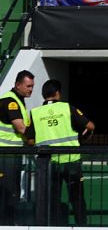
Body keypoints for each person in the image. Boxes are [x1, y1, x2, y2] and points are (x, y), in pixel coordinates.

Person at [28, 78, 91, 224]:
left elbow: (30, 140)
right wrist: (83, 137)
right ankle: (82, 225)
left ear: (43, 94)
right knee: (77, 198)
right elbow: (90, 126)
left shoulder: (35, 113)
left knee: (51, 199)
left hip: (48, 163)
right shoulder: (67, 108)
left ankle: (51, 225)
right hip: (71, 161)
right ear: (57, 93)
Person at [0, 69, 30, 223]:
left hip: (11, 155)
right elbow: (21, 128)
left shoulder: (18, 100)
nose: (31, 89)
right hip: (6, 155)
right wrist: (35, 138)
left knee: (11, 191)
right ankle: (7, 223)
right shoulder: (11, 102)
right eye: (28, 86)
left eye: (32, 86)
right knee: (9, 192)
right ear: (18, 85)